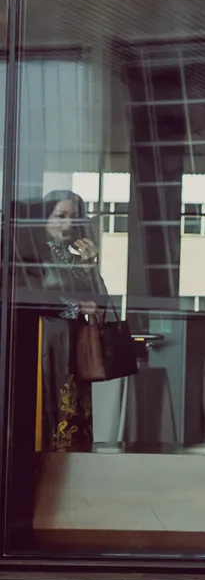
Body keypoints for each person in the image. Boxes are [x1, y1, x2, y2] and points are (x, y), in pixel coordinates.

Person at [25, 192, 112, 453]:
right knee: (52, 403)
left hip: (75, 341)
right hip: (49, 341)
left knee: (76, 407)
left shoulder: (74, 259)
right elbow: (33, 298)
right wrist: (76, 306)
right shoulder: (34, 257)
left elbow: (102, 303)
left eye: (74, 217)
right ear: (44, 219)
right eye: (60, 216)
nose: (68, 224)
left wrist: (90, 266)